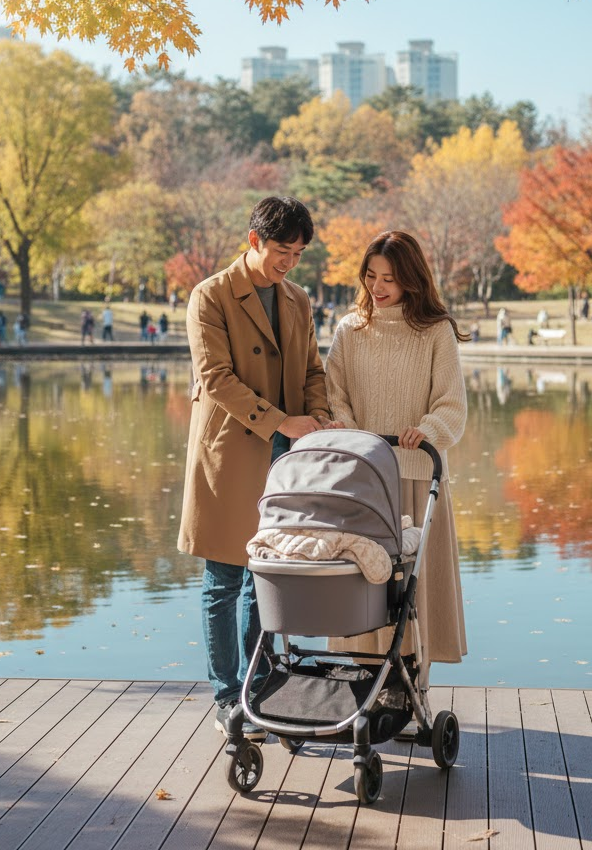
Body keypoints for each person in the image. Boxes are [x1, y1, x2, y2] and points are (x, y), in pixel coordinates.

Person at [178, 195, 332, 740]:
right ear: (253, 241)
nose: (289, 261)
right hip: (232, 451)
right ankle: (227, 695)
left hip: (285, 456)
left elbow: (314, 368)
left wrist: (316, 416)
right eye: (280, 251)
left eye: (298, 252)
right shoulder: (210, 296)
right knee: (224, 577)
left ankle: (260, 683)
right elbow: (215, 377)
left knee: (265, 574)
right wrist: (279, 421)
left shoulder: (297, 299)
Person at [324, 229, 468, 702]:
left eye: (389, 277)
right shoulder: (350, 330)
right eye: (371, 276)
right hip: (365, 479)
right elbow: (333, 395)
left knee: (414, 588)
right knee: (365, 584)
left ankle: (413, 688)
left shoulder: (434, 330)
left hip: (415, 473)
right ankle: (369, 683)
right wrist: (347, 428)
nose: (378, 286)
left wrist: (426, 429)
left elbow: (452, 403)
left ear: (410, 278)